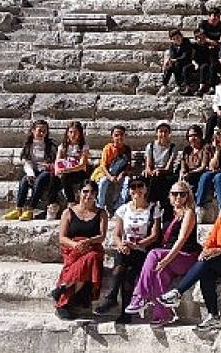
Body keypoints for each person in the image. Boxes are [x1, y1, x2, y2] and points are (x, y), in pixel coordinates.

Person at [157, 186, 221, 332]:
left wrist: (218, 250)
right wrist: (206, 250)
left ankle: (177, 293)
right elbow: (211, 238)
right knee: (205, 270)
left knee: (208, 262)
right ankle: (213, 316)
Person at [125, 181, 199, 325]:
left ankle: (140, 296)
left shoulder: (189, 212)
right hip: (171, 256)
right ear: (170, 196)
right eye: (174, 194)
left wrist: (166, 260)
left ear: (187, 196)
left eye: (182, 194)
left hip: (185, 256)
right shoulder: (168, 213)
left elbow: (182, 239)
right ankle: (163, 314)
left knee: (153, 254)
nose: (178, 197)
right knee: (159, 274)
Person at [94, 178, 160, 323]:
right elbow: (116, 235)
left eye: (140, 186)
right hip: (126, 249)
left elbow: (154, 235)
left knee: (127, 270)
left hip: (142, 250)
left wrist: (137, 244)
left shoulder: (153, 209)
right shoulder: (123, 209)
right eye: (133, 187)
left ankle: (113, 300)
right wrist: (121, 245)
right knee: (124, 269)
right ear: (129, 190)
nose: (136, 190)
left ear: (145, 189)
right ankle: (122, 308)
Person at [52, 180, 107, 320]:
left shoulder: (101, 213)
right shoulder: (68, 212)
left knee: (92, 257)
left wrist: (88, 241)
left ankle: (63, 292)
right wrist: (76, 245)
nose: (88, 195)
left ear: (96, 195)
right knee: (87, 264)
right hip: (73, 249)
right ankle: (64, 293)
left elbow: (102, 236)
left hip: (92, 247)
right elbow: (62, 238)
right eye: (85, 191)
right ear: (79, 193)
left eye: (92, 192)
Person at [4, 120, 57, 221]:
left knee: (40, 179)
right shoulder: (29, 145)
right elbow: (27, 162)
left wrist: (48, 165)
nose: (42, 133)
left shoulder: (50, 145)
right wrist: (30, 174)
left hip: (46, 172)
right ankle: (19, 208)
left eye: (44, 131)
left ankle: (30, 209)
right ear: (33, 131)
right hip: (33, 170)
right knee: (24, 180)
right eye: (39, 131)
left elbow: (54, 161)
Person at [94, 125, 132, 212]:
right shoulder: (108, 148)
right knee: (103, 182)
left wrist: (121, 175)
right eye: (116, 135)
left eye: (121, 135)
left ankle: (119, 206)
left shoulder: (127, 149)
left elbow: (127, 166)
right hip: (105, 173)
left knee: (127, 181)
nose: (119, 137)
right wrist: (110, 177)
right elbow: (103, 166)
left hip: (119, 174)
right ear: (112, 137)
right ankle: (100, 206)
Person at [54, 121, 89, 209]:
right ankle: (52, 204)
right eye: (71, 132)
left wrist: (68, 170)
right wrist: (57, 171)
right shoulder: (62, 146)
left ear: (80, 134)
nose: (73, 135)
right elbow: (58, 161)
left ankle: (71, 201)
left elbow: (82, 165)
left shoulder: (84, 147)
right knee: (53, 178)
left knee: (66, 177)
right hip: (65, 170)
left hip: (79, 172)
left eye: (75, 132)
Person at [143, 121, 178, 207]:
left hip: (166, 173)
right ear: (156, 133)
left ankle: (151, 202)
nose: (163, 134)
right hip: (154, 172)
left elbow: (168, 168)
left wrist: (159, 171)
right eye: (161, 131)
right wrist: (151, 171)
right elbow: (148, 166)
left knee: (157, 178)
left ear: (169, 133)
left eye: (165, 131)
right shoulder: (150, 146)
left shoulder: (172, 147)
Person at [158, 29, 195, 96]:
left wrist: (175, 60)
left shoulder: (187, 43)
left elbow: (185, 56)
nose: (176, 40)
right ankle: (164, 85)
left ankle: (183, 87)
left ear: (181, 36)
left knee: (182, 67)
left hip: (187, 63)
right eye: (174, 39)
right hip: (178, 63)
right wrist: (168, 62)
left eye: (177, 37)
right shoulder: (172, 46)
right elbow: (172, 56)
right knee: (169, 67)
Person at [178, 124, 211, 194]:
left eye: (195, 135)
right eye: (190, 136)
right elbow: (183, 167)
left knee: (191, 178)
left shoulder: (205, 148)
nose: (193, 138)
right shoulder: (186, 149)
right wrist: (182, 174)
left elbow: (203, 166)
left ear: (200, 136)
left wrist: (190, 173)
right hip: (189, 174)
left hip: (200, 173)